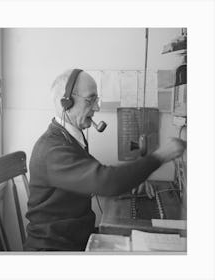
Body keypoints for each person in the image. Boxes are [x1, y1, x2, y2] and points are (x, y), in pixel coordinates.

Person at [24, 69, 186, 251]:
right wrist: (161, 155)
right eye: (90, 100)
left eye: (96, 100)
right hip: (54, 250)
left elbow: (98, 173)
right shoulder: (53, 150)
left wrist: (131, 182)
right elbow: (106, 181)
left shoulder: (68, 139)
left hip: (74, 239)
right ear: (66, 102)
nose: (97, 108)